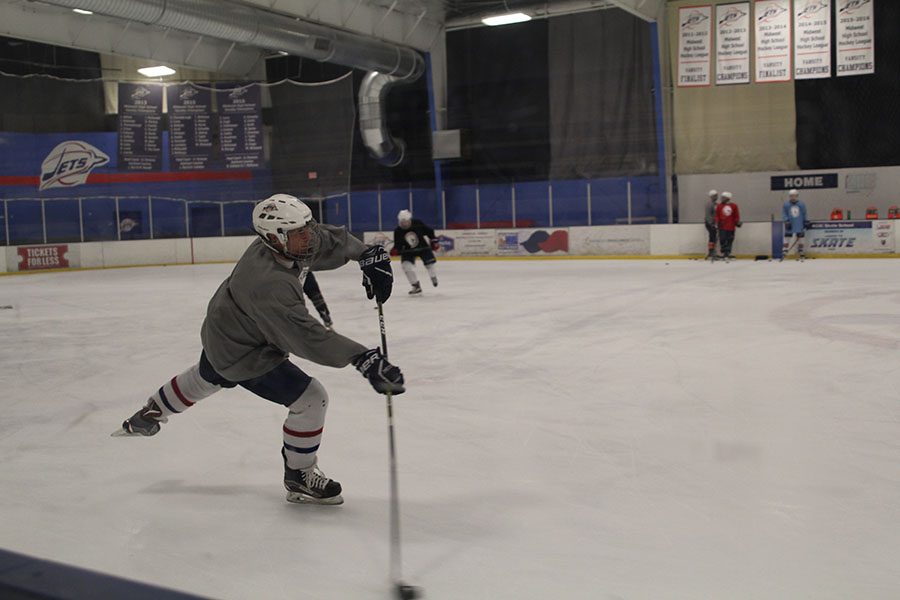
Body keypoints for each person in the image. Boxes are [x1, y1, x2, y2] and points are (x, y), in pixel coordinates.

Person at [113, 194, 405, 506]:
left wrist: (365, 254)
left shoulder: (286, 243)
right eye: (300, 234)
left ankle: (149, 413)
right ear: (273, 237)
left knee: (206, 376)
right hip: (243, 349)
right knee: (310, 399)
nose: (309, 238)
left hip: (224, 328)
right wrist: (361, 358)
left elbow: (327, 240)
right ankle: (300, 474)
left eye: (308, 228)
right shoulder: (267, 282)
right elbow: (305, 335)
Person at [392, 209, 439, 295]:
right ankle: (415, 285)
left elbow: (429, 232)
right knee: (406, 266)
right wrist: (395, 250)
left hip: (423, 248)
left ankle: (433, 277)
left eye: (405, 221)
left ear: (409, 220)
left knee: (429, 264)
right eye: (402, 222)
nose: (404, 224)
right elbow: (397, 245)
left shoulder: (417, 223)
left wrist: (434, 241)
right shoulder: (398, 231)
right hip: (408, 251)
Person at [781, 189, 809, 259]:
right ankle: (784, 250)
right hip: (790, 223)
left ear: (797, 196)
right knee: (787, 236)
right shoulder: (786, 204)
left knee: (801, 237)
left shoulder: (801, 204)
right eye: (791, 196)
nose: (792, 197)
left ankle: (801, 250)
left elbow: (804, 213)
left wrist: (806, 221)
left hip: (799, 222)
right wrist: (786, 220)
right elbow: (784, 213)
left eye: (794, 196)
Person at [715, 191, 741, 259]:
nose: (721, 198)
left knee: (730, 239)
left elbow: (736, 216)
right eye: (721, 197)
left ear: (728, 198)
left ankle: (727, 252)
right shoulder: (719, 206)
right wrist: (717, 222)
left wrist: (737, 222)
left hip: (731, 226)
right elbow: (717, 215)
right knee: (722, 239)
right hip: (722, 226)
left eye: (723, 197)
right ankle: (724, 252)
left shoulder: (734, 206)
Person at [705, 189, 719, 259]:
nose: (717, 196)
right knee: (712, 237)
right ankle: (711, 252)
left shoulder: (716, 204)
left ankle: (713, 251)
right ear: (711, 196)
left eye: (717, 195)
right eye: (715, 195)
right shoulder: (709, 204)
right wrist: (711, 224)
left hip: (714, 223)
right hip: (710, 223)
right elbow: (708, 215)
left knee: (714, 237)